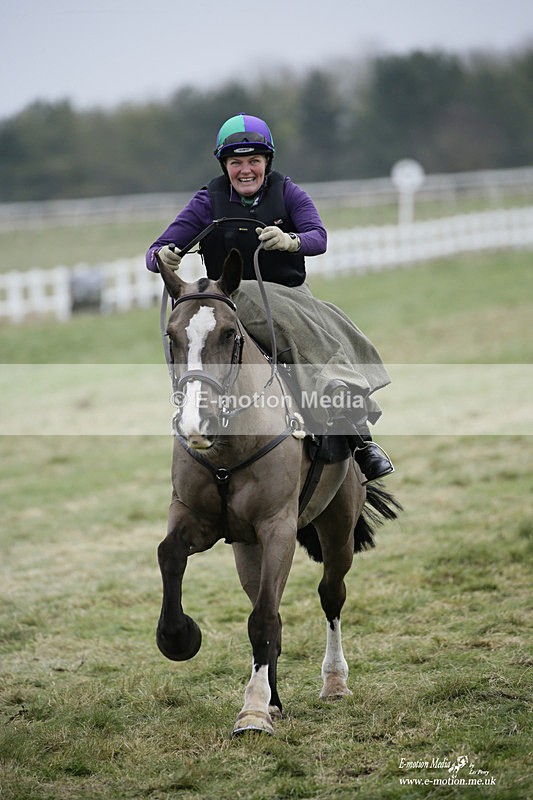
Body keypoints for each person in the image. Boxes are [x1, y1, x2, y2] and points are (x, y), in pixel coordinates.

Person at [146, 113, 393, 483]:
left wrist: (292, 241)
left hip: (290, 297)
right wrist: (162, 255)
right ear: (224, 165)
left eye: (253, 161)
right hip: (225, 303)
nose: (245, 170)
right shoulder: (207, 201)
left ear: (267, 163)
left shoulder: (288, 192)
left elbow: (318, 237)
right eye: (236, 163)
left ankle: (357, 436)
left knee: (326, 321)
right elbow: (156, 250)